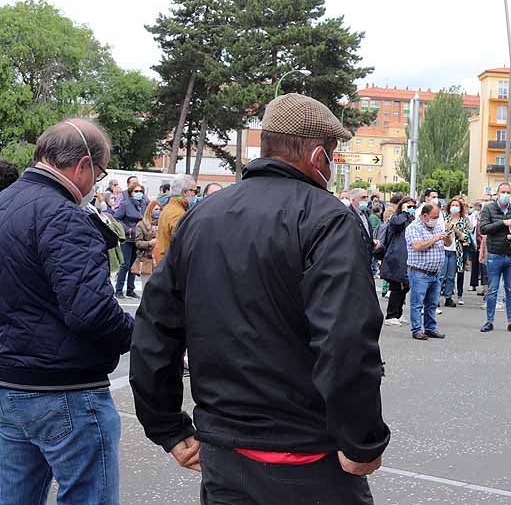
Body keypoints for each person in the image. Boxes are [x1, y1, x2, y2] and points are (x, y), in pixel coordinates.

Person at [130, 92, 389, 503]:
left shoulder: (203, 216)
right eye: (333, 156)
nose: (333, 166)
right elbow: (346, 338)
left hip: (226, 452)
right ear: (318, 156)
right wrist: (363, 439)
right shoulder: (327, 219)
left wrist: (166, 426)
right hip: (306, 455)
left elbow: (155, 326)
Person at [0, 119, 134, 504]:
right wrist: (142, 334)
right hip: (66, 391)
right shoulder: (63, 215)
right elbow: (91, 312)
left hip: (12, 384)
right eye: (100, 173)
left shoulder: (6, 202)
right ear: (82, 166)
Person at [479, 182, 511, 333]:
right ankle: (489, 321)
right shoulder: (488, 208)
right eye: (503, 192)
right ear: (497, 193)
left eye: (508, 192)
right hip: (495, 254)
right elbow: (484, 229)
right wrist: (502, 223)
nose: (506, 194)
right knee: (492, 290)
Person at [405, 203, 450, 340]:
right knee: (417, 303)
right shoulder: (413, 228)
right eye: (434, 217)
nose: (436, 219)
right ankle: (417, 330)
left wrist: (446, 238)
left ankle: (430, 328)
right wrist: (435, 238)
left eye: (437, 217)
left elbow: (447, 244)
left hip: (435, 272)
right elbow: (418, 246)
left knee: (432, 303)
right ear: (425, 216)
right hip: (419, 272)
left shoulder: (437, 226)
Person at [381, 197, 416, 326]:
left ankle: (398, 313)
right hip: (396, 256)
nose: (411, 209)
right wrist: (404, 212)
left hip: (407, 256)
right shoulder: (397, 218)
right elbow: (395, 225)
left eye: (413, 206)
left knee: (404, 286)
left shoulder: (411, 220)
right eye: (409, 206)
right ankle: (391, 315)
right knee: (396, 286)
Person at [113, 182, 146, 298]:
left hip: (139, 238)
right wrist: (127, 229)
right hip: (127, 238)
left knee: (134, 265)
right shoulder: (125, 204)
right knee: (125, 264)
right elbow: (116, 218)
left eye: (141, 191)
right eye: (136, 191)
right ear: (131, 193)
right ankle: (118, 290)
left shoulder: (143, 205)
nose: (139, 194)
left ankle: (130, 289)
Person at [155, 174, 197, 263]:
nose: (194, 195)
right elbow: (182, 244)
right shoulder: (178, 214)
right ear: (185, 192)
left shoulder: (169, 207)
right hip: (171, 264)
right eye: (194, 191)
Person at [441, 197, 472, 307]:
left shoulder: (464, 220)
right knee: (441, 275)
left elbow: (466, 237)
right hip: (443, 250)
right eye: (452, 205)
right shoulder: (444, 218)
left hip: (456, 251)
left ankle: (448, 297)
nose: (454, 207)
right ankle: (435, 299)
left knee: (451, 276)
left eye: (457, 206)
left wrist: (455, 229)